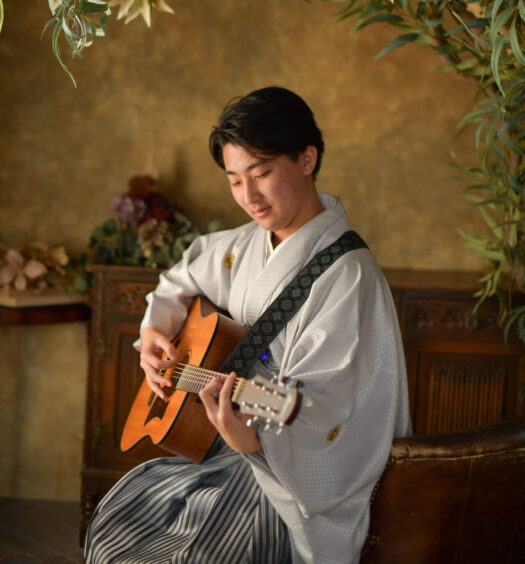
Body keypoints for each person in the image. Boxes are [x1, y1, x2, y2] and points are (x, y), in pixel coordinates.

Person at [84, 86, 411, 564]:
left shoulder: (349, 276)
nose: (249, 197)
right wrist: (155, 332)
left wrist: (253, 440)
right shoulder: (243, 245)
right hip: (229, 453)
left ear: (306, 159)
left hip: (288, 484)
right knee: (119, 525)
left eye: (261, 174)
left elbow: (328, 411)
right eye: (235, 180)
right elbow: (183, 275)